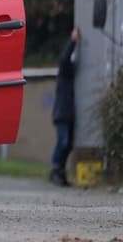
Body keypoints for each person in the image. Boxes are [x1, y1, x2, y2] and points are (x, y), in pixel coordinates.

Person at [50, 27, 79, 187]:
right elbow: (64, 58)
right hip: (62, 113)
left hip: (68, 114)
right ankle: (55, 168)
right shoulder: (64, 74)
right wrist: (73, 41)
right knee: (63, 141)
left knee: (68, 144)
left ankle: (60, 171)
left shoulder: (71, 79)